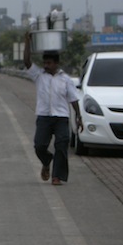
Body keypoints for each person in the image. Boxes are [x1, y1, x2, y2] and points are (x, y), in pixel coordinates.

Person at [24, 31, 82, 185]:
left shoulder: (66, 79)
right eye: (45, 63)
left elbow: (73, 99)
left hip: (61, 117)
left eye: (49, 63)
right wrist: (27, 42)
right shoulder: (39, 76)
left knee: (62, 145)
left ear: (56, 63)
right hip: (44, 116)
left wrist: (78, 116)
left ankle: (57, 176)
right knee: (39, 146)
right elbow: (27, 61)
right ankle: (47, 160)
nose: (46, 65)